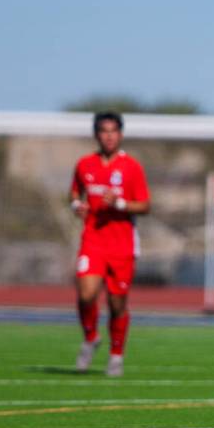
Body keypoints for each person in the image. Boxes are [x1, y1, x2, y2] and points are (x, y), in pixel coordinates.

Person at [70, 111, 150, 376]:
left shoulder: (132, 167)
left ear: (121, 134)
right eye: (104, 131)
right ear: (96, 134)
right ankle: (91, 336)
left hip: (122, 244)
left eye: (113, 131)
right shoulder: (84, 164)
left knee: (117, 304)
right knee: (86, 293)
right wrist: (76, 204)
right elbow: (74, 192)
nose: (109, 136)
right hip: (93, 238)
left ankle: (116, 355)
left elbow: (145, 205)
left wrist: (119, 203)